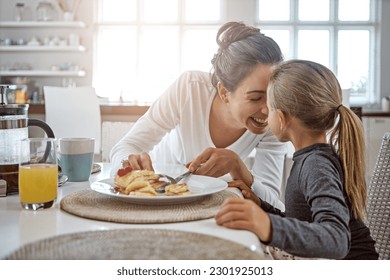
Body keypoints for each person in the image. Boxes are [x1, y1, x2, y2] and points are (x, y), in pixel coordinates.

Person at [110, 21, 288, 208]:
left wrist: (239, 167)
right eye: (255, 98)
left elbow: (273, 203)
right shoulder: (189, 89)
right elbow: (128, 145)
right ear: (224, 92)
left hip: (210, 201)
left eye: (274, 96)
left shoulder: (277, 118)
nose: (268, 110)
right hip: (158, 194)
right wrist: (127, 165)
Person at [215, 59, 379, 260]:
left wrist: (267, 225)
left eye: (269, 107)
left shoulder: (316, 165)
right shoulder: (311, 158)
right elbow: (302, 221)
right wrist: (261, 206)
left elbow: (337, 240)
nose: (265, 113)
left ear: (282, 118)